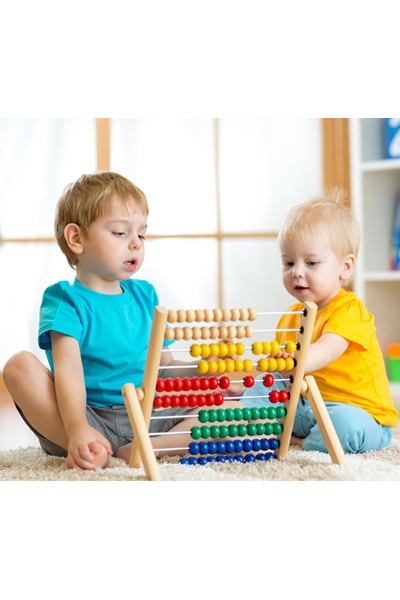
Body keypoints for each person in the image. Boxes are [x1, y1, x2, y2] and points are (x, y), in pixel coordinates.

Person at [3, 172, 238, 471]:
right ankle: (88, 445)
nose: (136, 244)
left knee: (231, 410)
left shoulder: (145, 296)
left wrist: (206, 365)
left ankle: (144, 448)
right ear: (77, 239)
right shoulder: (65, 300)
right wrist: (77, 427)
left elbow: (162, 367)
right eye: (120, 233)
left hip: (148, 412)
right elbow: (69, 372)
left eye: (141, 234)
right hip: (87, 414)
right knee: (18, 366)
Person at [242, 188, 398, 454]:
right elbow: (280, 368)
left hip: (356, 410)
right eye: (288, 262)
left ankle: (300, 442)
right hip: (305, 404)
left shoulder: (350, 310)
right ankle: (293, 430)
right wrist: (261, 365)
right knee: (259, 388)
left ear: (345, 268)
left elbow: (327, 349)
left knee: (343, 426)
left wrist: (292, 360)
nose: (297, 272)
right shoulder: (291, 316)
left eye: (311, 263)